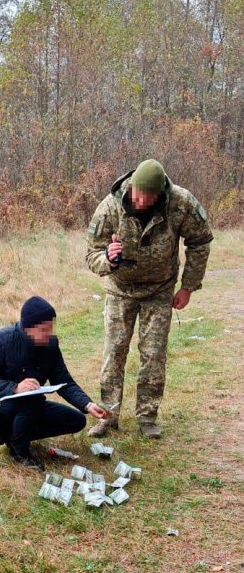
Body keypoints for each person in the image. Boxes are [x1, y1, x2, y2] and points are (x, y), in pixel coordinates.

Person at [86, 158, 213, 439]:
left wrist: (188, 287)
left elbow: (201, 240)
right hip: (120, 290)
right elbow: (91, 253)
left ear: (160, 194)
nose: (141, 201)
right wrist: (107, 258)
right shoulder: (111, 206)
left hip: (159, 290)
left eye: (149, 196)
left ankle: (147, 417)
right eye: (138, 194)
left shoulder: (180, 203)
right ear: (131, 187)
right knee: (114, 354)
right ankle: (108, 415)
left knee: (153, 355)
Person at [0, 296, 107, 469]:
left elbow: (64, 380)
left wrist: (87, 404)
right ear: (27, 328)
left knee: (76, 420)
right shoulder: (1, 340)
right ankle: (19, 450)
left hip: (31, 405)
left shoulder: (50, 344)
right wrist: (15, 388)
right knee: (29, 402)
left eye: (51, 328)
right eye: (44, 330)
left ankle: (19, 434)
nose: (49, 334)